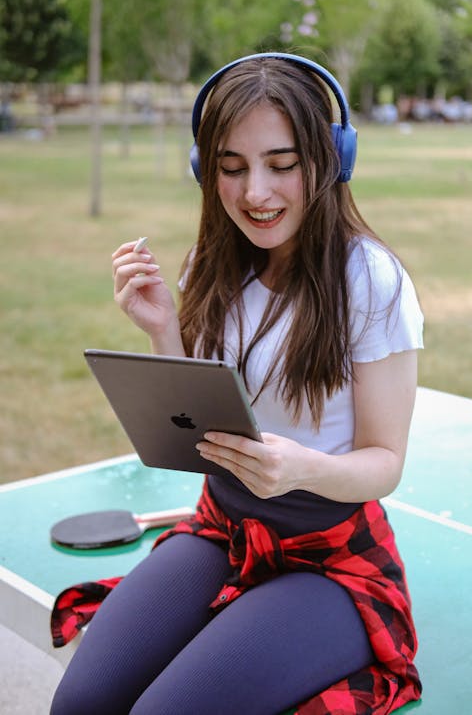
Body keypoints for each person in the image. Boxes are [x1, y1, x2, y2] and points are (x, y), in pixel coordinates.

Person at [50, 53, 423, 715]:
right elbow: (199, 427)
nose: (256, 192)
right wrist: (162, 332)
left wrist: (301, 468)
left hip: (329, 557)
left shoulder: (371, 280)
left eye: (282, 165)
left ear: (330, 161)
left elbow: (385, 464)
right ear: (205, 171)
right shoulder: (211, 266)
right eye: (231, 167)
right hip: (221, 527)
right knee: (80, 703)